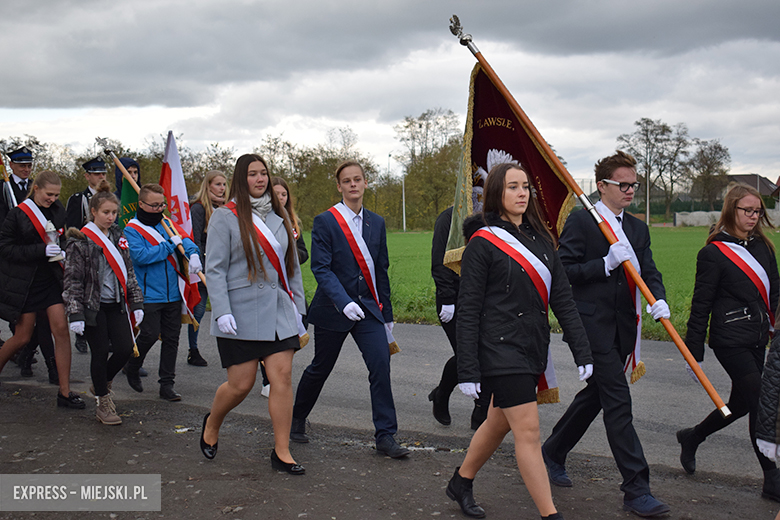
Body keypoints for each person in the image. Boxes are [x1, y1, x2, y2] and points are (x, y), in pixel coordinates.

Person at [446, 163, 592, 520]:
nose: (522, 193)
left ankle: (461, 482)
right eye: (513, 187)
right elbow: (468, 310)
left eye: (526, 186)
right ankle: (550, 514)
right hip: (497, 348)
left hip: (532, 347)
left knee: (499, 420)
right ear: (497, 193)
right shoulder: (482, 243)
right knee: (528, 430)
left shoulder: (542, 242)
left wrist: (581, 350)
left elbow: (563, 301)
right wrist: (467, 368)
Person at [541, 151, 671, 517]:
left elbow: (649, 270)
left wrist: (658, 298)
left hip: (622, 325)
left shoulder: (637, 228)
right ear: (602, 186)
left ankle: (551, 452)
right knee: (617, 399)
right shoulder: (584, 223)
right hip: (588, 325)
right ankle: (636, 488)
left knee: (598, 393)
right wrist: (604, 264)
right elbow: (563, 273)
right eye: (623, 184)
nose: (631, 191)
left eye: (635, 185)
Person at [291, 160, 409, 459]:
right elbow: (321, 267)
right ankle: (296, 418)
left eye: (358, 179)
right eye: (347, 181)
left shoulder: (377, 222)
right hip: (334, 309)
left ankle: (385, 435)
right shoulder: (326, 221)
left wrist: (388, 312)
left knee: (380, 365)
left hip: (369, 309)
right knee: (321, 368)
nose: (353, 185)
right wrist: (344, 302)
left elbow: (381, 268)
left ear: (366, 183)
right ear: (340, 186)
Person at [200, 154, 306, 476]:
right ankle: (212, 423)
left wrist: (299, 309)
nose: (260, 179)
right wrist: (221, 311)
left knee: (282, 377)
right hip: (240, 314)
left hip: (277, 312)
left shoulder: (280, 216)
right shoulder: (224, 216)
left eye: (264, 174)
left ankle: (282, 451)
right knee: (241, 385)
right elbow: (214, 269)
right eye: (252, 174)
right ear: (240, 179)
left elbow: (292, 268)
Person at [678, 184, 780, 500]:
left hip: (757, 337)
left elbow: (775, 291)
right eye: (747, 210)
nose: (753, 216)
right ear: (731, 209)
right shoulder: (713, 253)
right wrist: (693, 349)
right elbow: (701, 302)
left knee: (740, 403)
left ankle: (693, 436)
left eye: (758, 211)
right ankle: (771, 478)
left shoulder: (763, 246)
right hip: (729, 339)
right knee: (761, 400)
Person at [0, 170, 85, 409]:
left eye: (56, 195)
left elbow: (61, 236)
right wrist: (40, 251)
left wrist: (64, 250)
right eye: (49, 194)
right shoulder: (18, 214)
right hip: (25, 283)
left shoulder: (58, 210)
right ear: (36, 188)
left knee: (60, 330)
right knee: (22, 337)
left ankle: (65, 392)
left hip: (50, 279)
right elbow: (5, 249)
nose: (53, 198)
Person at [62, 181, 144, 424]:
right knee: (99, 353)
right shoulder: (80, 241)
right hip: (92, 308)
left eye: (114, 213)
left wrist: (137, 304)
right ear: (94, 212)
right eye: (106, 212)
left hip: (116, 304)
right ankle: (103, 402)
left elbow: (129, 273)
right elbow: (73, 282)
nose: (111, 217)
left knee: (125, 349)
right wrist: (75, 315)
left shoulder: (119, 236)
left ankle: (100, 384)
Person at [123, 183, 200, 401]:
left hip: (173, 293)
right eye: (154, 205)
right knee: (148, 333)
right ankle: (133, 364)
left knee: (171, 339)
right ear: (141, 204)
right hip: (148, 294)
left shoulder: (167, 223)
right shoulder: (132, 229)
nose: (159, 209)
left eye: (162, 204)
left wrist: (193, 253)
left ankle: (167, 384)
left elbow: (184, 240)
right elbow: (141, 257)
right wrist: (169, 245)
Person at [428, 205, 491, 429]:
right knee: (469, 354)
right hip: (454, 300)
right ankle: (479, 414)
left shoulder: (495, 215)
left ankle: (442, 393)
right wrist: (447, 297)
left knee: (481, 354)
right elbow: (440, 259)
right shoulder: (449, 218)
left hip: (483, 299)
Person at [0, 147, 58, 383]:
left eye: (29, 165)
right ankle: (21, 353)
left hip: (42, 264)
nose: (25, 169)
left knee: (44, 320)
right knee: (21, 323)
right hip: (14, 260)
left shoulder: (45, 194)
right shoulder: (4, 189)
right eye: (21, 165)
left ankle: (44, 363)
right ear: (11, 166)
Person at [260, 176, 308, 397]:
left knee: (295, 329)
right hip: (269, 287)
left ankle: (278, 371)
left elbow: (304, 253)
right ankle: (268, 379)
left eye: (284, 194)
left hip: (290, 285)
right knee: (271, 335)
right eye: (276, 193)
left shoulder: (293, 222)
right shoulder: (262, 222)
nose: (280, 197)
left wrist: (289, 256)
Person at [66, 157, 109, 355]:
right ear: (87, 176)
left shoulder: (109, 197)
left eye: (103, 173)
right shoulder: (78, 199)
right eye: (96, 173)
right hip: (85, 250)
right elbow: (72, 227)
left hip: (106, 249)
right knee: (84, 288)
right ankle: (81, 334)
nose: (101, 177)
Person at [187, 170, 228, 367]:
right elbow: (195, 237)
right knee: (199, 309)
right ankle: (193, 349)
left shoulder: (227, 208)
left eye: (224, 184)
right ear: (208, 185)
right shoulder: (199, 208)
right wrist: (201, 267)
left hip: (225, 266)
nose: (222, 188)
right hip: (204, 265)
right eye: (218, 184)